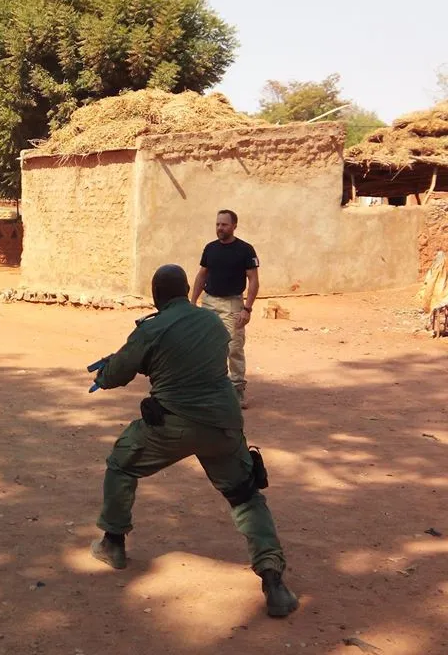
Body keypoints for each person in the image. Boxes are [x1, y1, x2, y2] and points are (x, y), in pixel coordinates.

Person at [87, 264, 298, 618]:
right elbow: (191, 360)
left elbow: (120, 371)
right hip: (224, 425)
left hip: (172, 424)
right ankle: (273, 580)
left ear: (155, 296)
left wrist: (106, 374)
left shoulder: (150, 329)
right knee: (245, 495)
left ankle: (113, 543)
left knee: (121, 464)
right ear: (187, 290)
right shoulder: (213, 322)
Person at [190, 210, 259, 406]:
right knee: (207, 347)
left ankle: (237, 391)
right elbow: (202, 274)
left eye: (224, 225)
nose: (220, 228)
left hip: (233, 304)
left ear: (234, 226)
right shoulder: (210, 248)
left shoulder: (245, 250)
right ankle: (209, 389)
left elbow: (253, 280)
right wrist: (193, 301)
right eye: (218, 224)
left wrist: (247, 308)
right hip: (209, 302)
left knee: (234, 347)